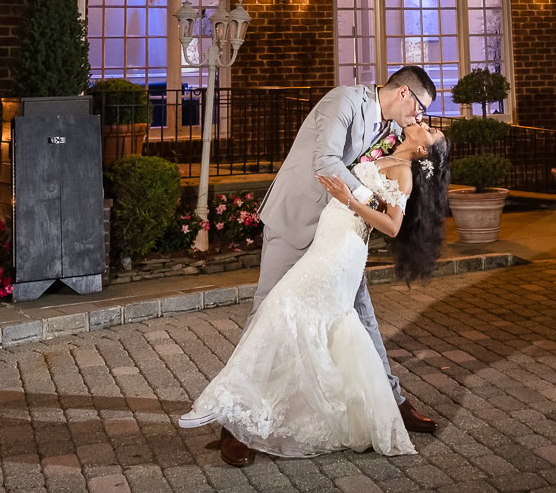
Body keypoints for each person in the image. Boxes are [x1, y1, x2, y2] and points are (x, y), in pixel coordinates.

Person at [178, 68, 451, 463]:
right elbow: (325, 162)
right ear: (405, 94)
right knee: (268, 312)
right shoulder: (344, 101)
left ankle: (391, 404)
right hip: (298, 220)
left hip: (341, 238)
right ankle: (236, 424)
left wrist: (367, 209)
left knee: (361, 317)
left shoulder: (392, 131)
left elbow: (391, 175)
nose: (419, 118)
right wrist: (367, 202)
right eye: (421, 108)